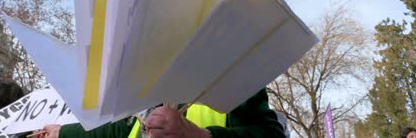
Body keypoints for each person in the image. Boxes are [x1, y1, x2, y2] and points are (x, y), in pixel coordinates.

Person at [38, 88, 286, 138]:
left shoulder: (233, 78)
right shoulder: (144, 95)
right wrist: (60, 132)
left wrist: (198, 135)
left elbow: (270, 135)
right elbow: (112, 130)